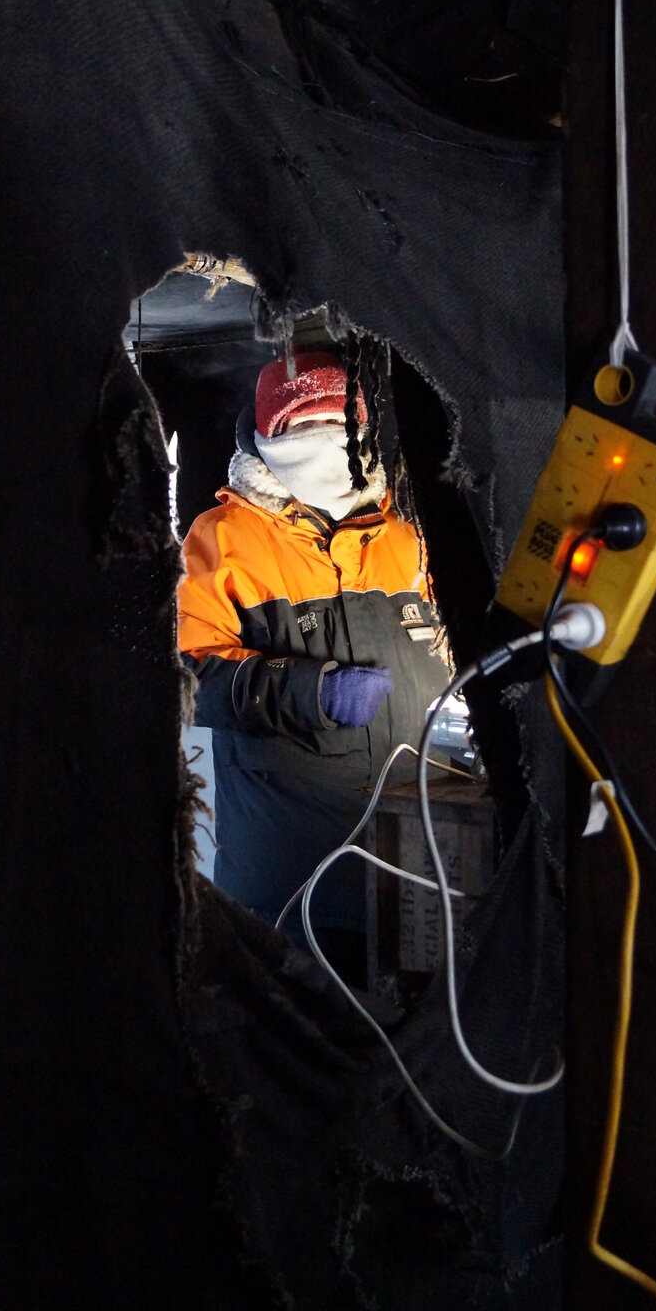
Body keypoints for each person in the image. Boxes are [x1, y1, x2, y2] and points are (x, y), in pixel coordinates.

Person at [178, 348, 449, 977]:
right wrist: (311, 692)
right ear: (265, 436)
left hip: (411, 864)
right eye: (301, 430)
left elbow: (442, 646)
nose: (319, 444)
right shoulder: (223, 539)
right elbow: (190, 676)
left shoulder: (404, 536)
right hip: (290, 876)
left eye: (333, 428)